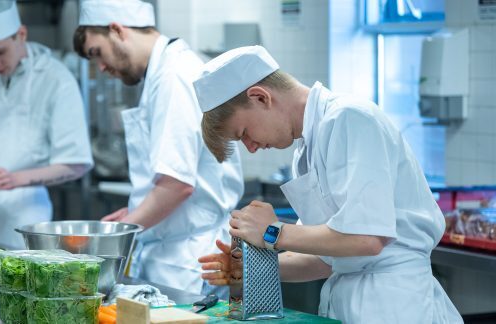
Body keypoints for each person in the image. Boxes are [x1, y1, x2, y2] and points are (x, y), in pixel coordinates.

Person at [194, 46, 462, 323]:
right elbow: (325, 260)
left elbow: (366, 239)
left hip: (394, 305)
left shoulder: (350, 119)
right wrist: (248, 269)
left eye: (244, 133)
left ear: (260, 97)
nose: (251, 148)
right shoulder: (307, 147)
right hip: (349, 302)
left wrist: (272, 231)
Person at [73, 0, 244, 295]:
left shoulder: (173, 76)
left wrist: (119, 230)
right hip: (173, 255)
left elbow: (177, 186)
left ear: (117, 30)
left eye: (97, 53)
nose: (101, 67)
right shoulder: (165, 71)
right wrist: (134, 213)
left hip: (186, 264)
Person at [0, 0, 93, 248]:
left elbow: (76, 164)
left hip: (25, 217)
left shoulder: (56, 80)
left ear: (21, 35)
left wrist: (16, 179)